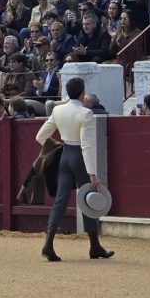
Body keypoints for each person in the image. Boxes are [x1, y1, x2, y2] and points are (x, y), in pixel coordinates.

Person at [35, 77, 113, 262]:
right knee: (88, 199)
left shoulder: (58, 110)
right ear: (82, 93)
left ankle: (48, 244)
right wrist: (92, 174)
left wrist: (56, 147)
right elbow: (86, 146)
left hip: (65, 156)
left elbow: (40, 136)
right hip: (79, 158)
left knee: (60, 201)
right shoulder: (85, 113)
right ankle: (94, 246)